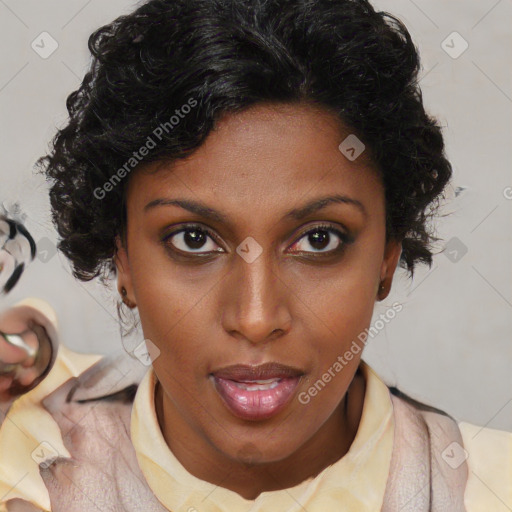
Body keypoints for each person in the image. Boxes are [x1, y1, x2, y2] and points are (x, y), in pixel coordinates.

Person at [0, 0, 510, 510]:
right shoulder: (16, 472)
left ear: (386, 257)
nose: (256, 318)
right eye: (193, 240)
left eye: (318, 240)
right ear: (125, 260)